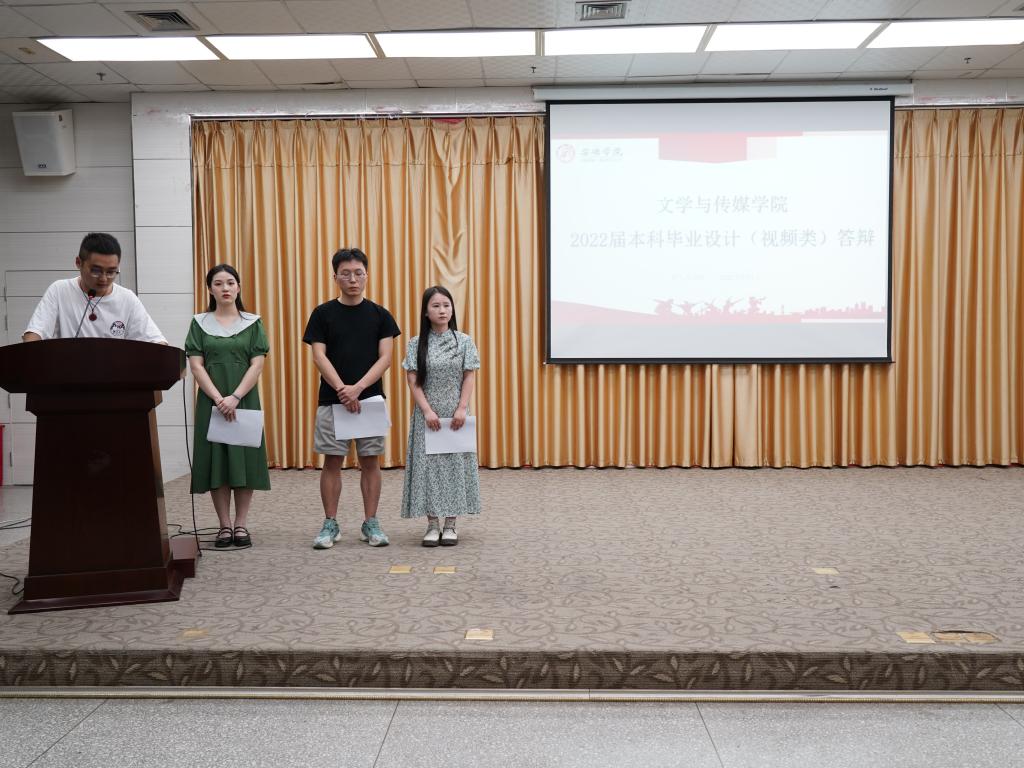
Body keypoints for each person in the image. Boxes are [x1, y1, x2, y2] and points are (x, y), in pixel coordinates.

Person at [302, 248, 400, 550]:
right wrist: (342, 389)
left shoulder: (381, 315)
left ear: (367, 275)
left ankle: (371, 522)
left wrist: (357, 388)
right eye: (346, 274)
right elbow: (319, 356)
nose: (353, 279)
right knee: (332, 461)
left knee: (370, 462)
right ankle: (330, 523)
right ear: (335, 277)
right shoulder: (322, 314)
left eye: (359, 273)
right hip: (332, 401)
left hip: (369, 401)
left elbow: (385, 358)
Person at [184, 264, 271, 548]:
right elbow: (196, 366)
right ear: (210, 289)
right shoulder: (199, 323)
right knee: (217, 461)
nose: (225, 288)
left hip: (243, 398)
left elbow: (257, 365)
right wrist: (219, 399)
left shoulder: (252, 322)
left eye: (230, 282)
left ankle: (241, 524)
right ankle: (224, 525)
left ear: (238, 287)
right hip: (212, 401)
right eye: (218, 283)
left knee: (244, 458)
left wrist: (234, 396)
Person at [400, 286, 481, 546]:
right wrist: (426, 410)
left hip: (456, 415)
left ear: (452, 309)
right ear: (426, 312)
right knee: (429, 469)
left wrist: (462, 407)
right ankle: (432, 524)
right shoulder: (416, 343)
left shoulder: (464, 341)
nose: (442, 310)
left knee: (455, 467)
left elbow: (469, 375)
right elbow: (413, 379)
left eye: (446, 305)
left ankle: (451, 525)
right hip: (427, 416)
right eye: (435, 306)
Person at [23, 232, 166, 343]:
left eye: (111, 272)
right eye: (96, 271)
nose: (104, 279)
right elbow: (35, 333)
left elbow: (155, 341)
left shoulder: (127, 299)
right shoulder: (60, 290)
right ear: (78, 263)